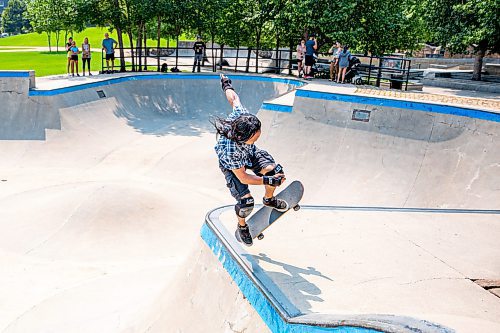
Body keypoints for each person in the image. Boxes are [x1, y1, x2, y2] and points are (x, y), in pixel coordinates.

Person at [213, 74, 289, 246]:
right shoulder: (230, 150)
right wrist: (267, 180)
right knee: (246, 202)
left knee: (275, 171)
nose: (257, 139)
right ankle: (242, 226)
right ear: (241, 138)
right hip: (232, 168)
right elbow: (243, 177)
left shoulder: (242, 116)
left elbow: (234, 99)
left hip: (249, 154)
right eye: (253, 139)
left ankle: (269, 199)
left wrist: (226, 84)